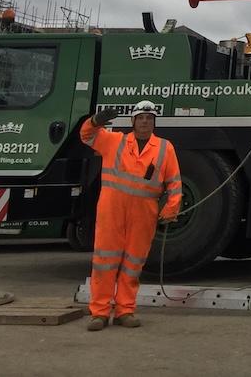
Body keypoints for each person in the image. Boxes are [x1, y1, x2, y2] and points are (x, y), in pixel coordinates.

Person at [81, 100, 181, 331]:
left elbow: (174, 182)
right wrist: (96, 120)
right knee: (105, 262)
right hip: (111, 210)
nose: (145, 121)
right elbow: (86, 135)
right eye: (141, 117)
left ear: (154, 122)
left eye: (149, 118)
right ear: (132, 121)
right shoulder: (114, 141)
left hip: (144, 213)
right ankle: (100, 313)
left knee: (133, 264)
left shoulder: (165, 148)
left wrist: (171, 209)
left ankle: (125, 311)